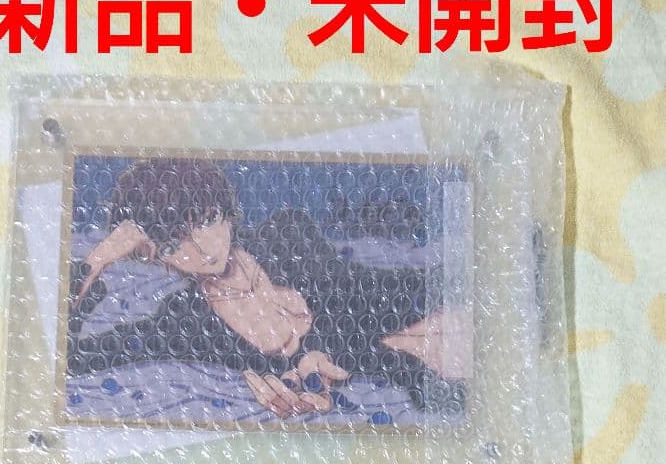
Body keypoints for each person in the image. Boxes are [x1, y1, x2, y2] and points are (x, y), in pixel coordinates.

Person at [69, 157, 470, 419]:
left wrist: (317, 361)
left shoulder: (286, 232)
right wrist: (97, 261)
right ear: (155, 258)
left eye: (206, 221)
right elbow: (70, 358)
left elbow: (347, 304)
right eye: (174, 245)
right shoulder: (183, 321)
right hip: (413, 367)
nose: (202, 250)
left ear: (227, 212)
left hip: (422, 299)